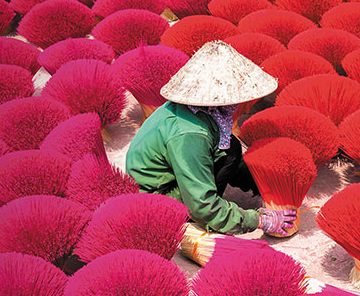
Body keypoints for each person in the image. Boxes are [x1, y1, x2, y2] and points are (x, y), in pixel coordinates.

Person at [125, 41, 296, 236]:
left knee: (230, 147)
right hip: (156, 200)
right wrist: (258, 220)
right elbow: (202, 205)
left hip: (169, 178)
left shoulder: (194, 109)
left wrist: (268, 183)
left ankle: (255, 187)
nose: (245, 105)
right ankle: (209, 221)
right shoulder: (190, 136)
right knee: (227, 154)